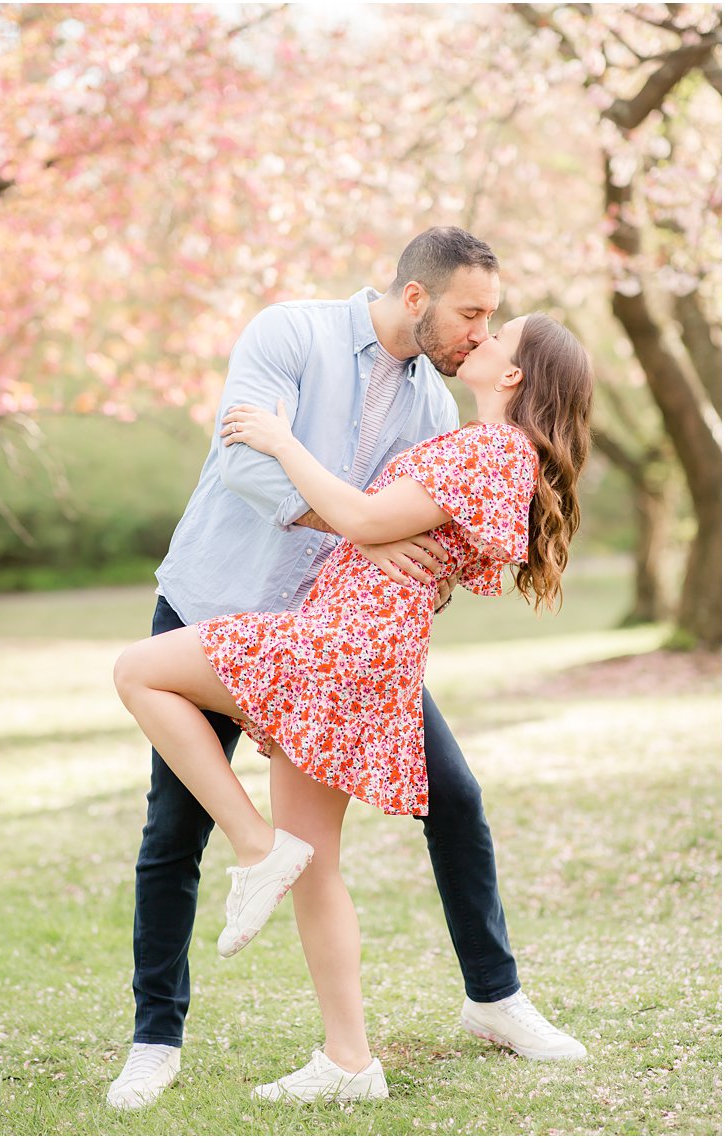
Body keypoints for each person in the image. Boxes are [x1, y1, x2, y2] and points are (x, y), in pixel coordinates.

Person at [106, 228, 589, 1112]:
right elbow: (254, 461)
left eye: (493, 325)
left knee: (448, 800)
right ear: (417, 298)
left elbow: (417, 533)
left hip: (334, 640)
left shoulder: (449, 420)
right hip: (226, 598)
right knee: (174, 832)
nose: (478, 335)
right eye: (471, 314)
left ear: (516, 376)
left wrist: (390, 538)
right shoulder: (291, 334)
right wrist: (371, 529)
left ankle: (484, 1001)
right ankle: (157, 1039)